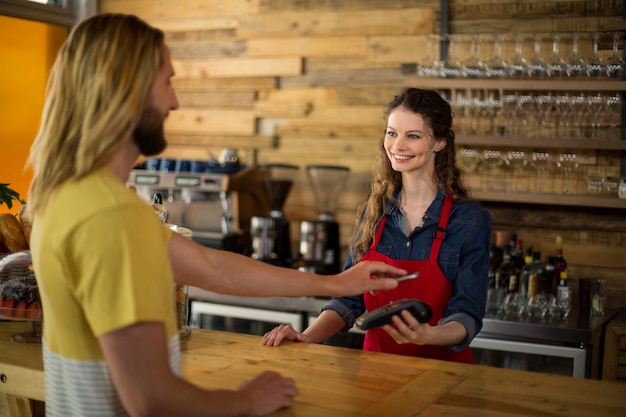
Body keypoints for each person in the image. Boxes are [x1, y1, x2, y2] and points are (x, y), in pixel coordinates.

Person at [25, 14, 406, 417]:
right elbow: (151, 400)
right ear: (127, 90)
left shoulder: (65, 196)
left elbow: (210, 266)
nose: (174, 101)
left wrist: (337, 281)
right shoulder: (111, 217)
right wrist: (244, 400)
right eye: (167, 82)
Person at [262, 88, 492, 364]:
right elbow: (349, 300)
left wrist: (427, 335)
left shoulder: (469, 220)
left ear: (439, 142)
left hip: (442, 379)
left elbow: (467, 312)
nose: (397, 146)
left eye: (413, 136)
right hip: (376, 376)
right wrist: (306, 336)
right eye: (392, 133)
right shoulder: (375, 214)